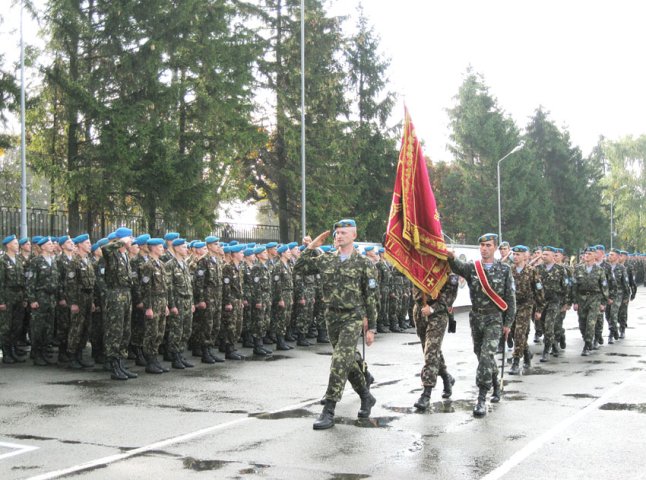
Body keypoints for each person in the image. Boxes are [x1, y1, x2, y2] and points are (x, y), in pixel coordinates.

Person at [295, 219, 379, 430]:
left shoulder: (363, 264)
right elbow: (299, 268)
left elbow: (371, 297)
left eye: (343, 233)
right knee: (348, 363)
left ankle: (329, 409)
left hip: (352, 317)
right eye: (336, 233)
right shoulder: (327, 260)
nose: (338, 236)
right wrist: (311, 246)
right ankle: (366, 396)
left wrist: (372, 328)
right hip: (331, 317)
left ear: (354, 236)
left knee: (339, 360)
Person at [447, 233, 515, 418]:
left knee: (486, 357)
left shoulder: (505, 269)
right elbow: (457, 267)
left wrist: (508, 322)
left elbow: (510, 298)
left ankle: (481, 398)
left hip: (494, 319)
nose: (484, 248)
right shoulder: (472, 268)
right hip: (476, 318)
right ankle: (496, 382)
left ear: (494, 248)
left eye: (488, 245)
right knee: (481, 355)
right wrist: (450, 257)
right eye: (482, 245)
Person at [412, 273, 459, 410]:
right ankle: (446, 377)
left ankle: (426, 394)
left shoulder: (448, 269)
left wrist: (432, 308)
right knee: (429, 350)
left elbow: (449, 297)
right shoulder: (419, 264)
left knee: (431, 351)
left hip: (437, 314)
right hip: (420, 311)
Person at [508, 245, 544, 375]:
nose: (515, 257)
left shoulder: (531, 271)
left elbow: (539, 290)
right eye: (514, 254)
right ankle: (527, 353)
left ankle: (516, 361)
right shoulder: (509, 270)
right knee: (512, 333)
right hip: (512, 305)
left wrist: (539, 308)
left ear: (525, 256)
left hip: (526, 305)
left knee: (519, 332)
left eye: (518, 254)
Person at [572, 247, 609, 355]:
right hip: (581, 299)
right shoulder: (578, 269)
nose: (586, 256)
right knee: (582, 324)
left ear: (594, 256)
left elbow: (604, 287)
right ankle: (586, 339)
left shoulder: (600, 270)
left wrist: (603, 303)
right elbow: (574, 286)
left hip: (595, 299)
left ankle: (587, 345)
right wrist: (574, 302)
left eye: (589, 254)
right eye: (585, 254)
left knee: (591, 323)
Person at [0, 235, 27, 364]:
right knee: (6, 326)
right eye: (15, 243)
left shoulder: (19, 260)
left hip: (19, 295)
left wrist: (24, 297)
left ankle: (13, 350)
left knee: (17, 325)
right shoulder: (2, 261)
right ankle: (6, 352)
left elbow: (24, 281)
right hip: (7, 296)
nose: (18, 245)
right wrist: (1, 301)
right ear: (9, 245)